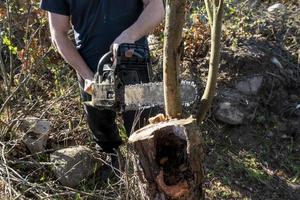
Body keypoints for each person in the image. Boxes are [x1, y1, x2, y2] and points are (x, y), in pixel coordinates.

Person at [40, 0, 164, 158]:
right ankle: (113, 166)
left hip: (132, 62)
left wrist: (130, 35)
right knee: (103, 133)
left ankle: (150, 173)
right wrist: (87, 77)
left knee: (144, 129)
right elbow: (58, 34)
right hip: (91, 69)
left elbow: (156, 7)